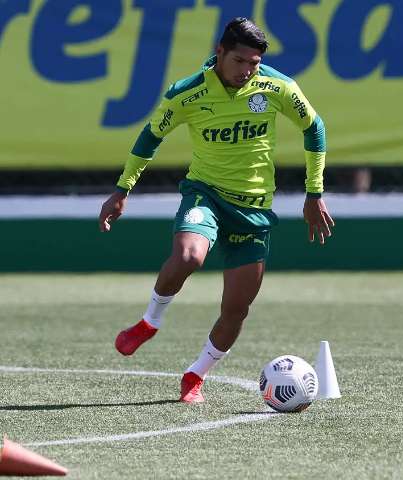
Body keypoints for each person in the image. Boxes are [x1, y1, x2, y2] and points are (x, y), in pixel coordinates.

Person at [98, 17, 334, 403]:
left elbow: (315, 128)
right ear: (219, 52)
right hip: (204, 195)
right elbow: (150, 137)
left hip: (255, 209)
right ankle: (149, 322)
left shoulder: (277, 87)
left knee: (236, 311)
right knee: (189, 255)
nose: (247, 71)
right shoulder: (187, 94)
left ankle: (195, 375)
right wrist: (123, 189)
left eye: (254, 63)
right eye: (240, 61)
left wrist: (314, 193)